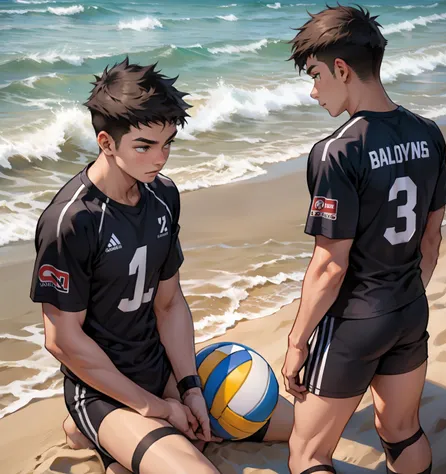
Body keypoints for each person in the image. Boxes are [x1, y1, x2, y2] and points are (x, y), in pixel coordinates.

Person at [30, 57, 293, 474]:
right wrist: (155, 407)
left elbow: (169, 304)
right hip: (104, 391)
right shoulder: (72, 222)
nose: (161, 158)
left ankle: (113, 445)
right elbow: (63, 340)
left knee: (302, 427)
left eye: (168, 143)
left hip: (162, 371)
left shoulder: (163, 195)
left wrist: (188, 388)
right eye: (144, 146)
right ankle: (95, 430)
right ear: (106, 142)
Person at [281, 5, 446, 474]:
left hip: (354, 322)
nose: (313, 91)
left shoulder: (337, 151)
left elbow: (329, 266)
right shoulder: (429, 133)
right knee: (401, 431)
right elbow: (432, 239)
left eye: (316, 75)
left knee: (307, 453)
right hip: (409, 308)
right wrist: (404, 293)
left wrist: (297, 342)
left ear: (342, 69)